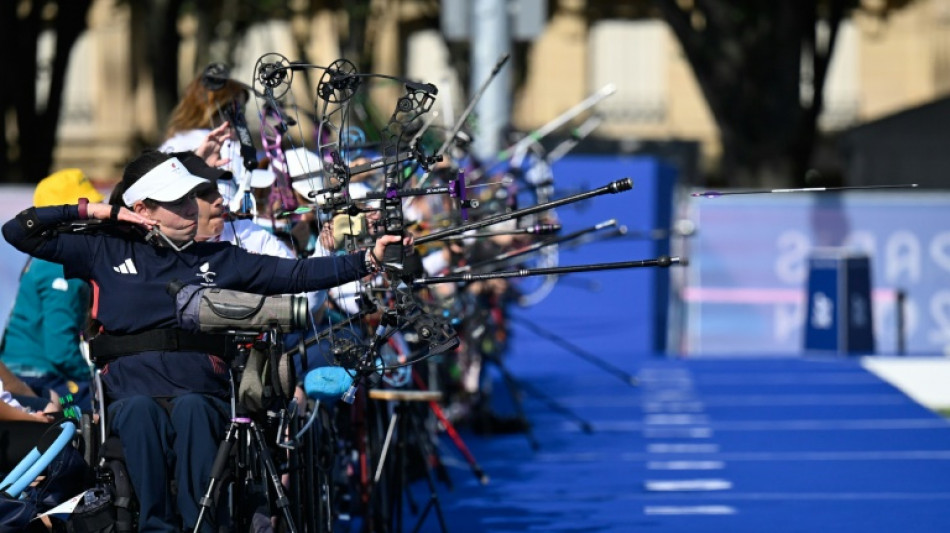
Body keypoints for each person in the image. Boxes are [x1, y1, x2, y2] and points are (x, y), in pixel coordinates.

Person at [2, 150, 406, 532]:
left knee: (195, 409)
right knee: (142, 413)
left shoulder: (218, 258)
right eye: (177, 202)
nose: (191, 208)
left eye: (189, 199)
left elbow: (296, 275)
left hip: (201, 388)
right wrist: (102, 211)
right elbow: (19, 230)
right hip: (129, 393)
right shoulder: (104, 249)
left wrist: (369, 260)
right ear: (142, 209)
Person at [0, 169, 104, 413]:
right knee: (86, 407)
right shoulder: (59, 266)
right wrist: (91, 377)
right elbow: (59, 348)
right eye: (87, 212)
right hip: (42, 379)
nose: (97, 219)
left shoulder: (45, 259)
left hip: (33, 372)